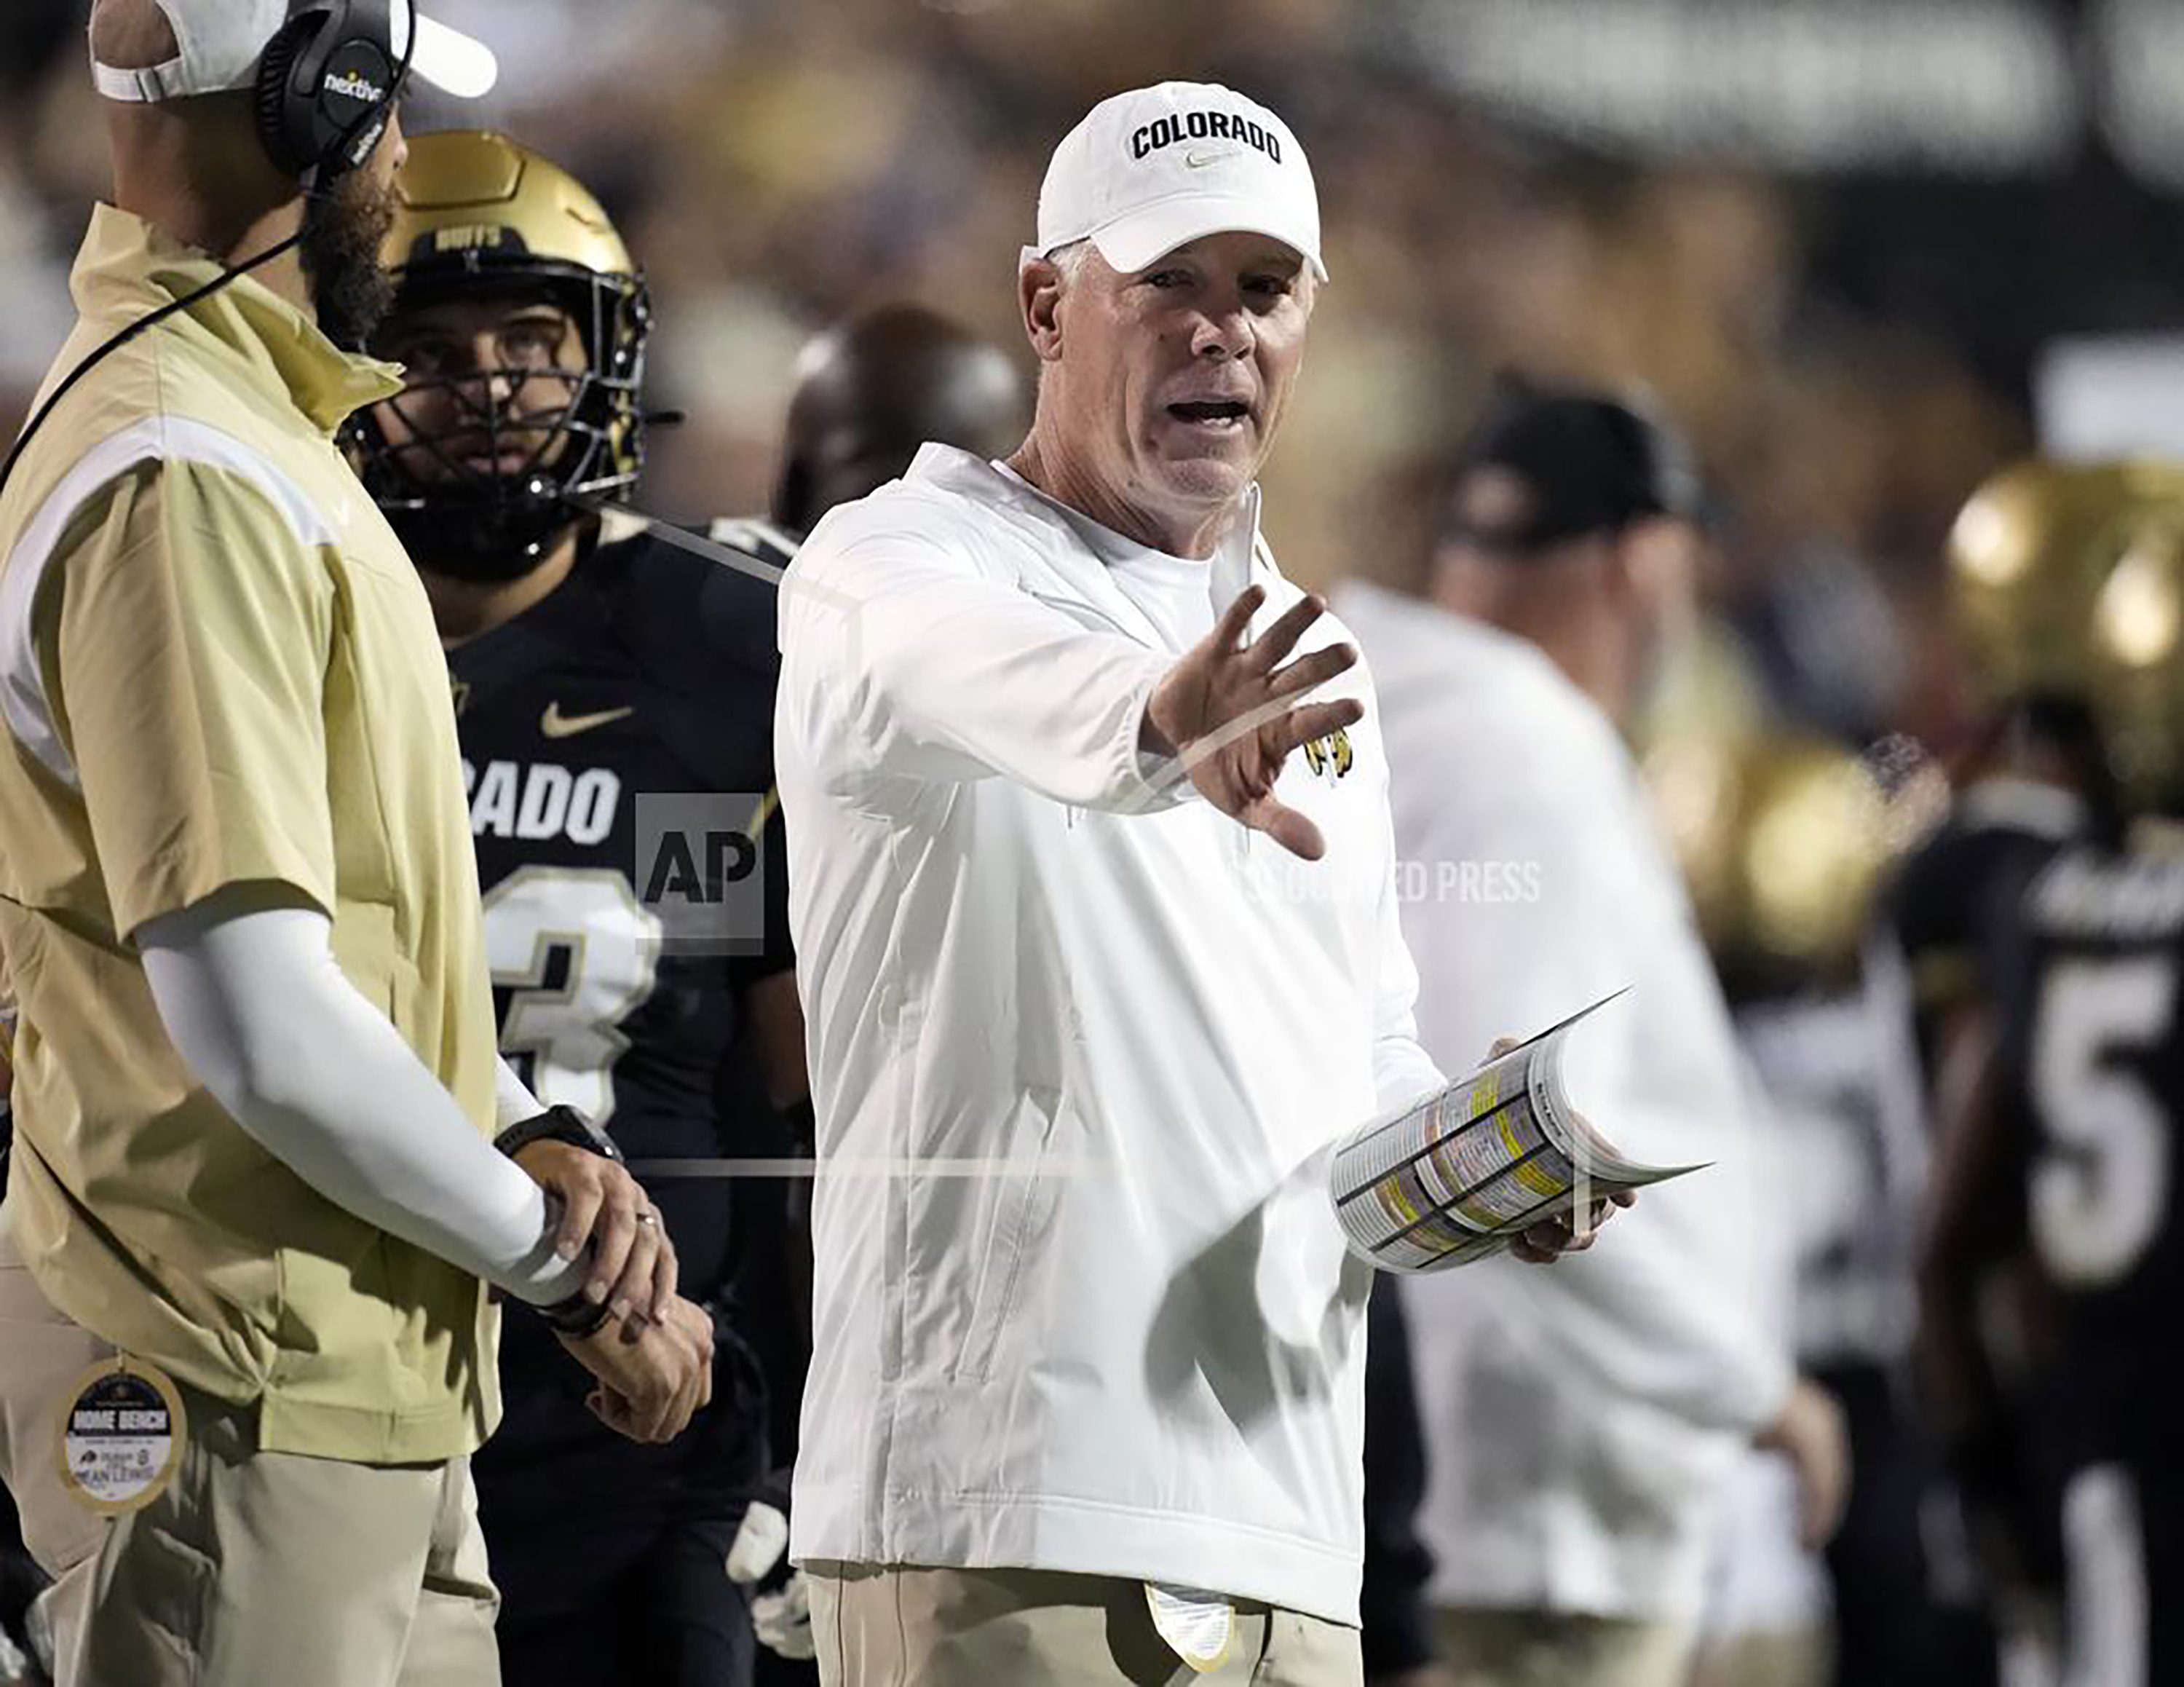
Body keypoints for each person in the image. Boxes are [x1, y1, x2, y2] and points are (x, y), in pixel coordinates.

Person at [775, 82, 1614, 1687]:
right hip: (1000, 1513)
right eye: (1168, 279)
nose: (1221, 330)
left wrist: (1470, 1150)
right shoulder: (894, 565)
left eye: (1264, 288)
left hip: (1292, 1528)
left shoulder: (1319, 657)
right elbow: (984, 671)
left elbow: (1351, 1045)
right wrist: (1156, 720)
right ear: (1045, 304)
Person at [0, 8, 713, 1683]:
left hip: (335, 1378)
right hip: (227, 1380)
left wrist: (522, 1130)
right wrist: (562, 1270)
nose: (399, 160)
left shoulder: (245, 434)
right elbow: (259, 1019)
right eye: (384, 107)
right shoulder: (185, 470)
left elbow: (356, 943)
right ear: (310, 95)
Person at [345, 127, 804, 1687]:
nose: (489, 388)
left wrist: (811, 1439)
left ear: (599, 360)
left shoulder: (737, 654)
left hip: (640, 1428)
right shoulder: (276, 627)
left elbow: (811, 1094)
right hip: (338, 1373)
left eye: (533, 343)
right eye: (430, 348)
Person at [1332, 384, 1848, 1687]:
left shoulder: (1395, 709)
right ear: (1645, 556)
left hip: (1419, 1484)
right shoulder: (1528, 746)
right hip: (1533, 1525)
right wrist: (1746, 1387)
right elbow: (1492, 1139)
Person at [1903, 458, 2181, 1675]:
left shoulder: (2032, 896)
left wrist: (1984, 1473)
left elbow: (1952, 1236)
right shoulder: (2006, 876)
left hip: (2084, 1438)